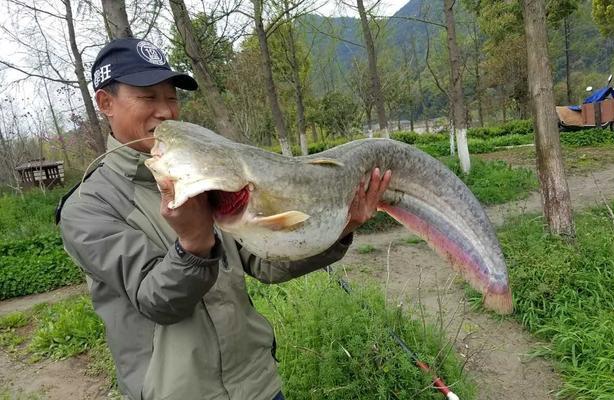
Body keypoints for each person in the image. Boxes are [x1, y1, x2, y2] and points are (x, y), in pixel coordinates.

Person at [57, 38, 391, 400]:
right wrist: (193, 244)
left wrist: (341, 227)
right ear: (106, 102)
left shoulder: (204, 175)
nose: (166, 112)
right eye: (148, 97)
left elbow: (264, 262)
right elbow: (155, 301)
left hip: (258, 385)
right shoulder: (88, 207)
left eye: (171, 97)